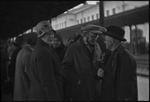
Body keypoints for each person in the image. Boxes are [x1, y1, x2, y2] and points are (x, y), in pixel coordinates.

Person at [62, 24, 106, 101]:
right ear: (85, 34)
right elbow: (65, 68)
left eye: (97, 36)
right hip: (80, 91)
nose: (95, 39)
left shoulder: (97, 46)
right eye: (93, 36)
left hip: (95, 90)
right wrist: (77, 81)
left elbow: (98, 63)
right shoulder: (73, 48)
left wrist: (99, 71)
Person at [98, 25, 138, 101]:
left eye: (106, 37)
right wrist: (100, 72)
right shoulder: (109, 53)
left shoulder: (126, 58)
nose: (104, 41)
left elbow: (127, 90)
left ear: (113, 39)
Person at [29, 20, 63, 101]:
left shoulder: (41, 48)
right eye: (47, 34)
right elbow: (48, 82)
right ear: (40, 36)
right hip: (45, 97)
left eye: (52, 33)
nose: (51, 36)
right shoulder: (43, 53)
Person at [13, 32, 37, 101]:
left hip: (20, 91)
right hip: (26, 93)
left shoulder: (22, 51)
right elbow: (33, 77)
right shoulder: (27, 55)